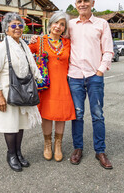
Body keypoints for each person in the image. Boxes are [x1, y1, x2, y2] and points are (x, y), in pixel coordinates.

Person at [0, 12, 42, 172]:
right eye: (13, 25)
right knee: (10, 125)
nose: (17, 28)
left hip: (23, 91)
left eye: (20, 25)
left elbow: (31, 67)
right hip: (6, 93)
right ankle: (11, 154)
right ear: (6, 29)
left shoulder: (23, 45)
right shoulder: (1, 48)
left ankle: (18, 152)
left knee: (20, 125)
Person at [67, 0, 114, 169]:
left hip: (94, 76)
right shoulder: (70, 25)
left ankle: (100, 151)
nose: (83, 4)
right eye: (79, 1)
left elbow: (108, 50)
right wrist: (35, 39)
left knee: (97, 115)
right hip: (75, 76)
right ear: (75, 4)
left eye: (86, 0)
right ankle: (78, 148)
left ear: (93, 3)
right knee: (77, 115)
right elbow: (56, 39)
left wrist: (100, 71)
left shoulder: (101, 24)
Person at [28, 11, 75, 162]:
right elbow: (24, 53)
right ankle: (47, 144)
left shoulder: (67, 43)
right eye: (56, 23)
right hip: (46, 86)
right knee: (47, 116)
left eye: (62, 24)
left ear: (64, 28)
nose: (58, 26)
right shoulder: (40, 41)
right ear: (50, 24)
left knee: (61, 116)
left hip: (63, 85)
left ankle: (58, 145)